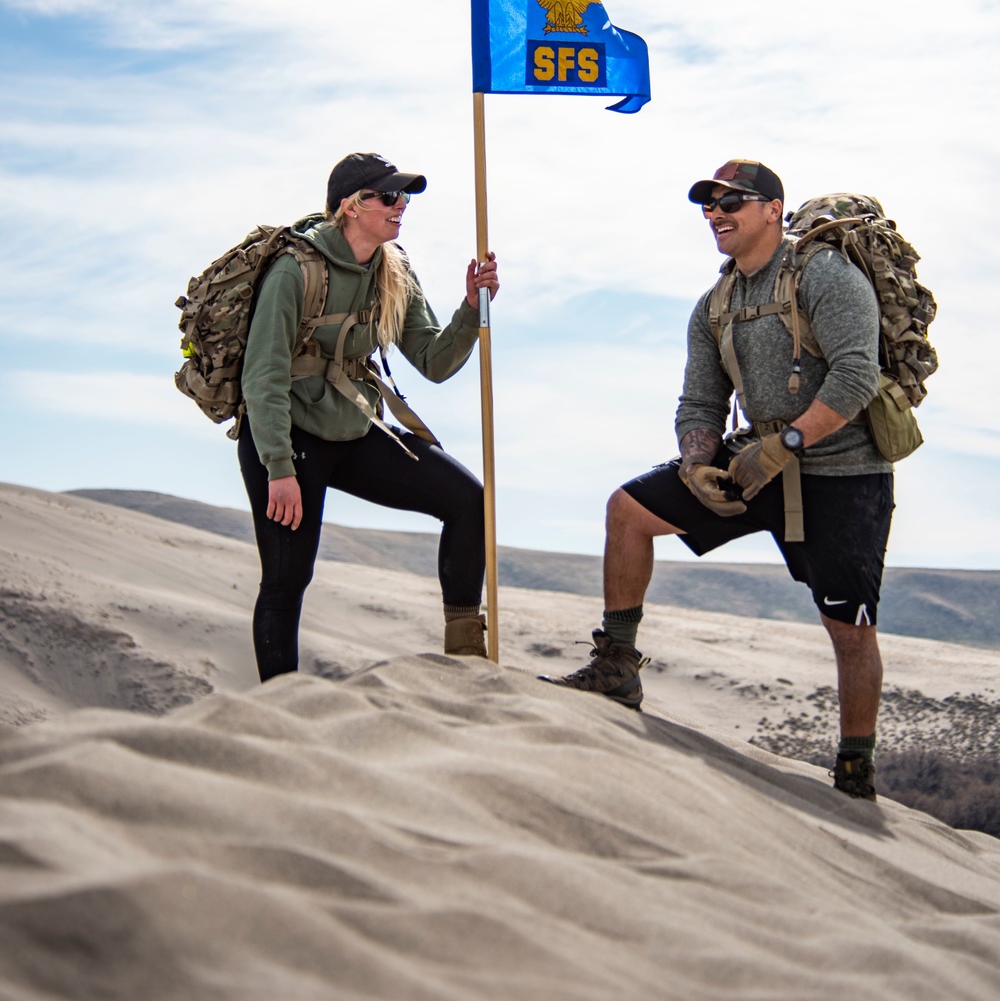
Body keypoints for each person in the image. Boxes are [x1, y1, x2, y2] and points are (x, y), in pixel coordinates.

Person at [553, 159, 892, 801]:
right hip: (752, 461)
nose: (717, 213)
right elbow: (699, 402)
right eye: (709, 204)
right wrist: (695, 460)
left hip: (842, 471)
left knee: (849, 626)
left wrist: (786, 444)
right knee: (629, 511)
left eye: (733, 201)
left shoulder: (826, 274)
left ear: (773, 210)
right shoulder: (715, 303)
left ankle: (855, 770)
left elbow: (856, 376)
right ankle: (618, 665)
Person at [238, 151, 499, 681]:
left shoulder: (394, 270)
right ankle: (279, 710)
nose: (400, 205)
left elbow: (434, 360)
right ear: (350, 207)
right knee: (287, 581)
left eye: (403, 196)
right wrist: (279, 469)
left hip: (354, 427)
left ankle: (468, 665)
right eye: (388, 196)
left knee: (469, 502)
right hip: (286, 437)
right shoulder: (295, 269)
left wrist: (471, 308)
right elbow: (261, 377)